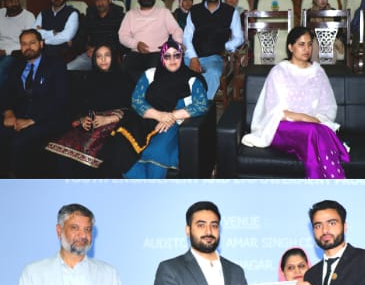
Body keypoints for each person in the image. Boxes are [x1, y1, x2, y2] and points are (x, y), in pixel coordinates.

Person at [242, 25, 350, 176]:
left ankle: (320, 180)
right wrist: (304, 118)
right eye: (301, 44)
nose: (306, 49)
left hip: (313, 127)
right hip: (281, 128)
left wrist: (315, 120)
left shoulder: (318, 72)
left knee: (315, 133)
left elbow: (328, 106)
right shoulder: (279, 72)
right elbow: (274, 110)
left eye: (309, 44)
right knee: (313, 132)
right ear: (290, 47)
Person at [101, 37, 209, 179]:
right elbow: (136, 100)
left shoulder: (192, 79)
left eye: (176, 55)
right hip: (144, 119)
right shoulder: (150, 74)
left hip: (171, 124)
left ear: (182, 56)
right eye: (167, 56)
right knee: (120, 144)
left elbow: (201, 104)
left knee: (157, 150)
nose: (172, 60)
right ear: (162, 58)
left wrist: (172, 116)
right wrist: (160, 115)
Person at [45, 42, 132, 175]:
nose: (103, 60)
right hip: (91, 123)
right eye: (99, 56)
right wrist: (82, 119)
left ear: (114, 57)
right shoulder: (88, 79)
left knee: (96, 156)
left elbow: (133, 108)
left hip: (117, 124)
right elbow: (79, 105)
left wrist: (109, 119)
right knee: (62, 152)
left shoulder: (125, 79)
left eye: (107, 55)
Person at [0, 28, 69, 176]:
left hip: (47, 118)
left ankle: (18, 181)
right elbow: (6, 92)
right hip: (19, 116)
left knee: (19, 143)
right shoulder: (17, 65)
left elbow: (60, 100)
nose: (28, 47)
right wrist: (8, 112)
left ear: (41, 44)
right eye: (24, 44)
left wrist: (32, 120)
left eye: (32, 43)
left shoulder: (56, 64)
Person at [181, 0, 244, 104]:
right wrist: (193, 58)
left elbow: (239, 38)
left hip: (214, 58)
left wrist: (224, 46)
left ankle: (202, 106)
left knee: (214, 73)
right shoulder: (195, 10)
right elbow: (187, 37)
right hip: (192, 55)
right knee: (174, 70)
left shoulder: (230, 12)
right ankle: (182, 105)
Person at [118, 0, 183, 80]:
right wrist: (136, 44)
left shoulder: (164, 12)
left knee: (153, 74)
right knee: (123, 73)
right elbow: (122, 35)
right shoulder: (130, 14)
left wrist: (177, 44)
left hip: (158, 53)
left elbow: (176, 30)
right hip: (136, 53)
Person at [67, 0, 125, 70]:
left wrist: (100, 50)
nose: (100, 3)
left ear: (109, 0)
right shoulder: (90, 16)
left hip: (111, 56)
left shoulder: (119, 16)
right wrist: (86, 48)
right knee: (68, 69)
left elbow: (124, 43)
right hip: (91, 55)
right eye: (97, 0)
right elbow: (81, 37)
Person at [0, 0, 35, 96]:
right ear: (4, 2)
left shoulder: (28, 17)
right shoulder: (0, 14)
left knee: (1, 69)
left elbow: (29, 42)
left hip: (15, 53)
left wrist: (6, 51)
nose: (14, 4)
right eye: (10, 1)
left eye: (16, 0)